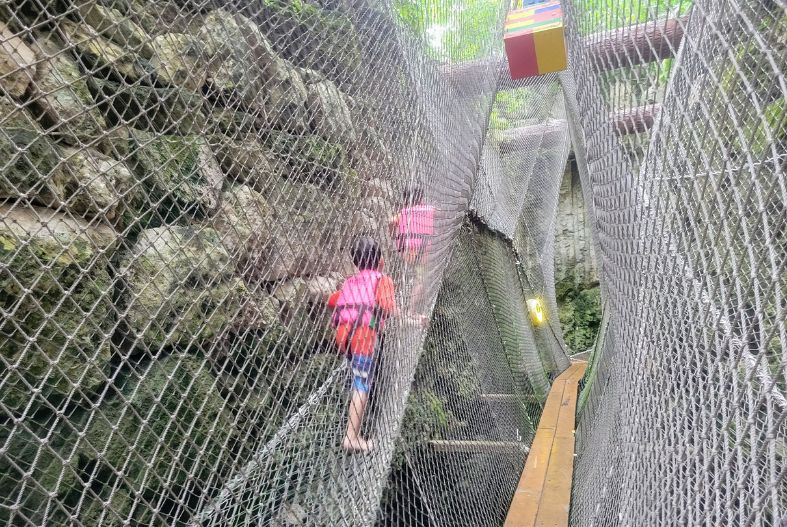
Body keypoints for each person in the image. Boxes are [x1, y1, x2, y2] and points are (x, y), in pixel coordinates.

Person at [327, 237, 396, 452]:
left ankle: (354, 423)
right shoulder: (383, 279)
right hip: (362, 337)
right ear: (380, 260)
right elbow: (388, 307)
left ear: (357, 263)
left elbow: (332, 300)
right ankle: (351, 438)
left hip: (342, 336)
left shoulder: (350, 281)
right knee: (361, 383)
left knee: (359, 372)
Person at [388, 185, 434, 321]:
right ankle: (411, 311)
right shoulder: (429, 210)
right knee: (421, 278)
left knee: (410, 273)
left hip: (405, 251)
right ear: (421, 199)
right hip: (422, 251)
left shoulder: (403, 212)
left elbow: (391, 221)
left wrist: (392, 235)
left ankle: (400, 304)